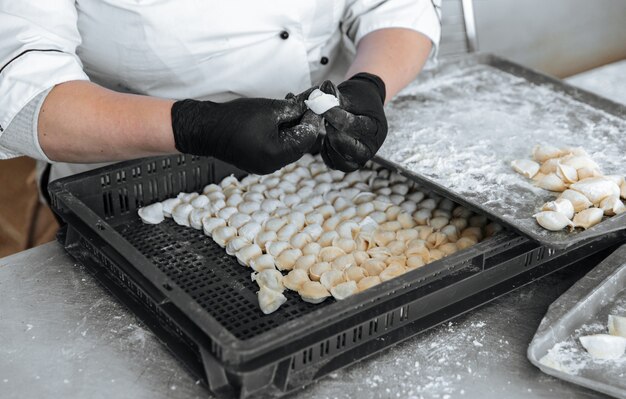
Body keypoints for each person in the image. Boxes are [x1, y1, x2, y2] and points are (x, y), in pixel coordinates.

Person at [0, 1, 441, 194]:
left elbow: (394, 5)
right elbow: (22, 87)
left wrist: (371, 83)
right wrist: (192, 126)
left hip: (320, 165)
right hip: (129, 177)